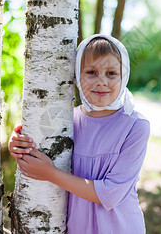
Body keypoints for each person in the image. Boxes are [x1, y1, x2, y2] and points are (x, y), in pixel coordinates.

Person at [9, 34, 150, 234]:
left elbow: (110, 194)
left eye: (111, 73)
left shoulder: (135, 126)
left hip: (120, 228)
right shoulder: (68, 120)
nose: (101, 81)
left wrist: (50, 173)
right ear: (76, 76)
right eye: (91, 72)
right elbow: (33, 141)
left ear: (123, 75)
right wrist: (17, 143)